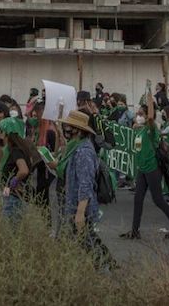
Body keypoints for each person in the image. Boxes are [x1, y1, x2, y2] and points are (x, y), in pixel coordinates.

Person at [121, 91, 169, 240]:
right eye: (137, 113)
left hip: (153, 169)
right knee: (138, 199)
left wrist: (150, 101)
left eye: (140, 113)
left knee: (158, 199)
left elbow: (149, 117)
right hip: (142, 169)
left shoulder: (151, 129)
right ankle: (135, 231)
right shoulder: (140, 130)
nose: (138, 116)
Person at [58, 109, 114, 271]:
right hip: (74, 207)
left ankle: (105, 274)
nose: (66, 129)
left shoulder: (84, 152)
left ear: (78, 130)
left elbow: (86, 184)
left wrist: (80, 213)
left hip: (80, 208)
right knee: (85, 243)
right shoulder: (78, 148)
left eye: (69, 126)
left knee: (88, 245)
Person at [0, 116, 39, 219]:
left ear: (7, 132)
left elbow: (23, 170)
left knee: (9, 228)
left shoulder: (16, 150)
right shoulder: (21, 148)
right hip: (12, 194)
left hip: (14, 197)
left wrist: (13, 181)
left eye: (1, 131)